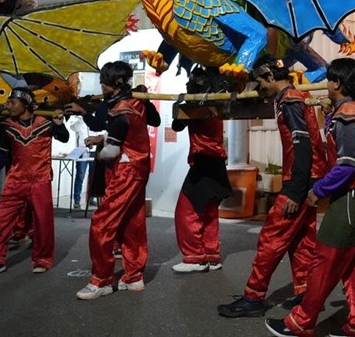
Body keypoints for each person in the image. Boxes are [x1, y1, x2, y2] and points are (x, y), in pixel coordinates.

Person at [265, 58, 355, 337]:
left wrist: (317, 191)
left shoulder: (347, 116)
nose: (326, 85)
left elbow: (346, 165)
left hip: (352, 198)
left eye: (330, 79)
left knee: (324, 263)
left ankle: (300, 322)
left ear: (337, 84)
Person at [219, 56, 328, 317]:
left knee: (272, 237)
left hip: (300, 179)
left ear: (269, 77)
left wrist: (295, 190)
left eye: (259, 82)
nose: (259, 88)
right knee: (301, 239)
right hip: (309, 177)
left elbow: (302, 146)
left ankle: (253, 298)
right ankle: (306, 292)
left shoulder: (289, 101)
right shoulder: (291, 97)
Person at [76, 61, 155, 300]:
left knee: (102, 222)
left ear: (114, 83)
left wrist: (102, 147)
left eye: (104, 80)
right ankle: (133, 277)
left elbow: (111, 150)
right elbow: (153, 122)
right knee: (132, 222)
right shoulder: (137, 101)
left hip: (125, 170)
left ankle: (101, 280)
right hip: (139, 167)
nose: (101, 84)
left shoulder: (121, 109)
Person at [0, 88, 68, 278]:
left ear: (25, 104)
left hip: (40, 179)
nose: (8, 106)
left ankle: (42, 259)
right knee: (1, 219)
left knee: (43, 223)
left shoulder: (46, 123)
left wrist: (59, 125)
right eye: (8, 102)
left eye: (12, 102)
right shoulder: (7, 126)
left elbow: (64, 137)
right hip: (15, 179)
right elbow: (1, 153)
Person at [171, 68, 233, 274]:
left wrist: (184, 103)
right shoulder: (216, 104)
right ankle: (211, 256)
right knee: (207, 212)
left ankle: (195, 258)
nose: (188, 85)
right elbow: (178, 124)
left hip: (205, 160)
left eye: (192, 83)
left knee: (186, 211)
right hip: (215, 161)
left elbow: (176, 124)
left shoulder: (201, 105)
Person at [68, 113, 91, 209]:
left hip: (94, 150)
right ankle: (77, 200)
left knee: (93, 176)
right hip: (82, 151)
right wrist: (82, 117)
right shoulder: (78, 119)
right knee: (80, 176)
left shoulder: (94, 118)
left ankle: (91, 198)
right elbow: (73, 127)